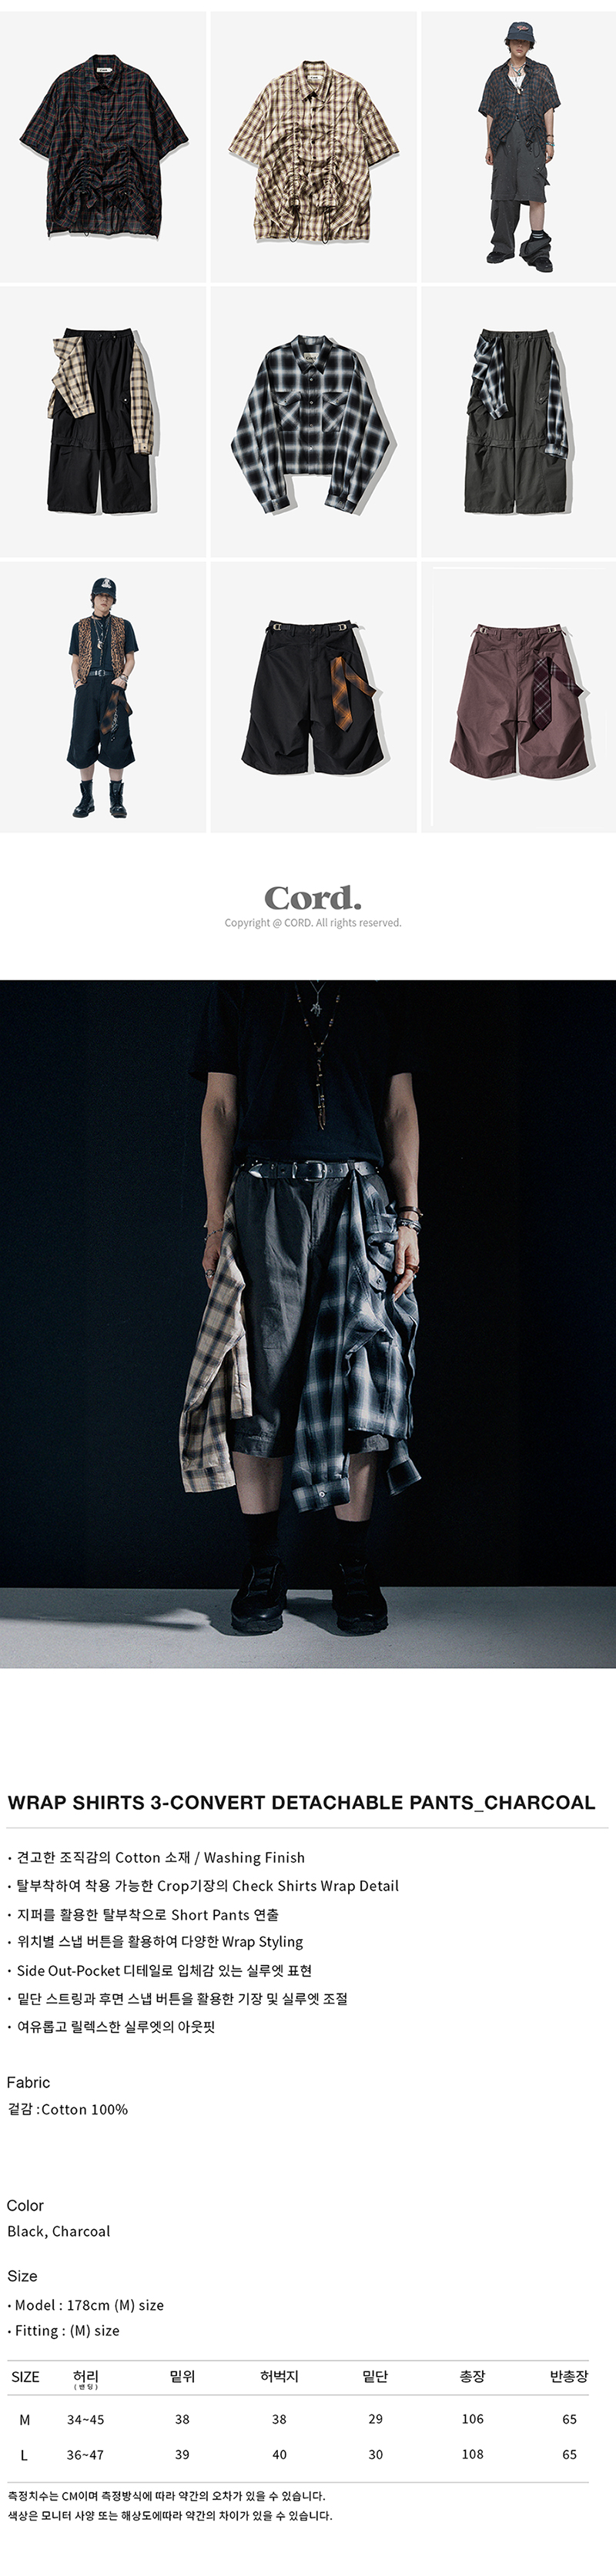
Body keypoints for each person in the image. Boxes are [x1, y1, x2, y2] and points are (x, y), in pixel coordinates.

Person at [179, 983, 421, 1640]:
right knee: (261, 1381)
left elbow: (399, 1106)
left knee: (361, 1378)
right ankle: (264, 1565)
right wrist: (214, 1223)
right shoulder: (239, 984)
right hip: (265, 1197)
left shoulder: (383, 984)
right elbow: (220, 1104)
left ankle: (352, 1566)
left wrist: (409, 1218)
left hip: (358, 1197)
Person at [480, 22, 560, 270]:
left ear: (530, 44)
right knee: (503, 194)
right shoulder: (496, 76)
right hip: (503, 141)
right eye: (515, 40)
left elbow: (549, 107)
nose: (520, 44)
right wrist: (489, 146)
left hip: (533, 140)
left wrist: (550, 139)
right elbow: (490, 113)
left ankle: (538, 251)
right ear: (508, 43)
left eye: (524, 41)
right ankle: (502, 247)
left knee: (535, 193)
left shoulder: (542, 72)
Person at [68, 576, 137, 820]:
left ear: (113, 600)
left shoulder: (124, 625)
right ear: (93, 598)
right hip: (87, 688)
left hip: (113, 687)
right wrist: (77, 683)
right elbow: (75, 661)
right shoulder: (80, 627)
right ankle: (87, 799)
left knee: (116, 741)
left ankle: (116, 800)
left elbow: (131, 659)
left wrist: (124, 678)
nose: (104, 599)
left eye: (109, 596)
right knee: (84, 740)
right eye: (100, 595)